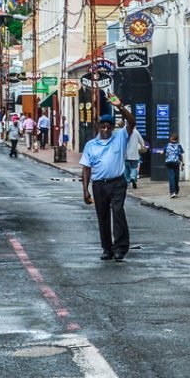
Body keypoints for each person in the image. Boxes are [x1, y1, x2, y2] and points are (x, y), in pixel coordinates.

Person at [80, 96, 136, 261]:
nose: (106, 129)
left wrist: (120, 107)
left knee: (118, 211)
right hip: (99, 185)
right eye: (103, 126)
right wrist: (85, 190)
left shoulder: (120, 137)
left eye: (109, 127)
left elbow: (131, 123)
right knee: (102, 215)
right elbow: (86, 168)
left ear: (113, 128)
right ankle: (107, 248)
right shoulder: (90, 145)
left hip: (117, 182)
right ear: (98, 127)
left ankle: (120, 248)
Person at [124, 125, 147, 190]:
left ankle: (127, 182)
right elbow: (141, 141)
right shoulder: (135, 132)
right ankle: (133, 177)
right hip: (134, 155)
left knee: (126, 169)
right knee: (134, 168)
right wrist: (143, 145)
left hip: (125, 155)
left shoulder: (124, 132)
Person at [164, 133, 184, 198]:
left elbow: (163, 152)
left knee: (171, 177)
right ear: (177, 139)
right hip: (176, 163)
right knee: (176, 177)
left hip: (169, 162)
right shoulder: (179, 145)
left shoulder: (167, 145)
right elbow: (181, 155)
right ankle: (176, 189)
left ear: (171, 138)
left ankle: (172, 192)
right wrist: (182, 163)